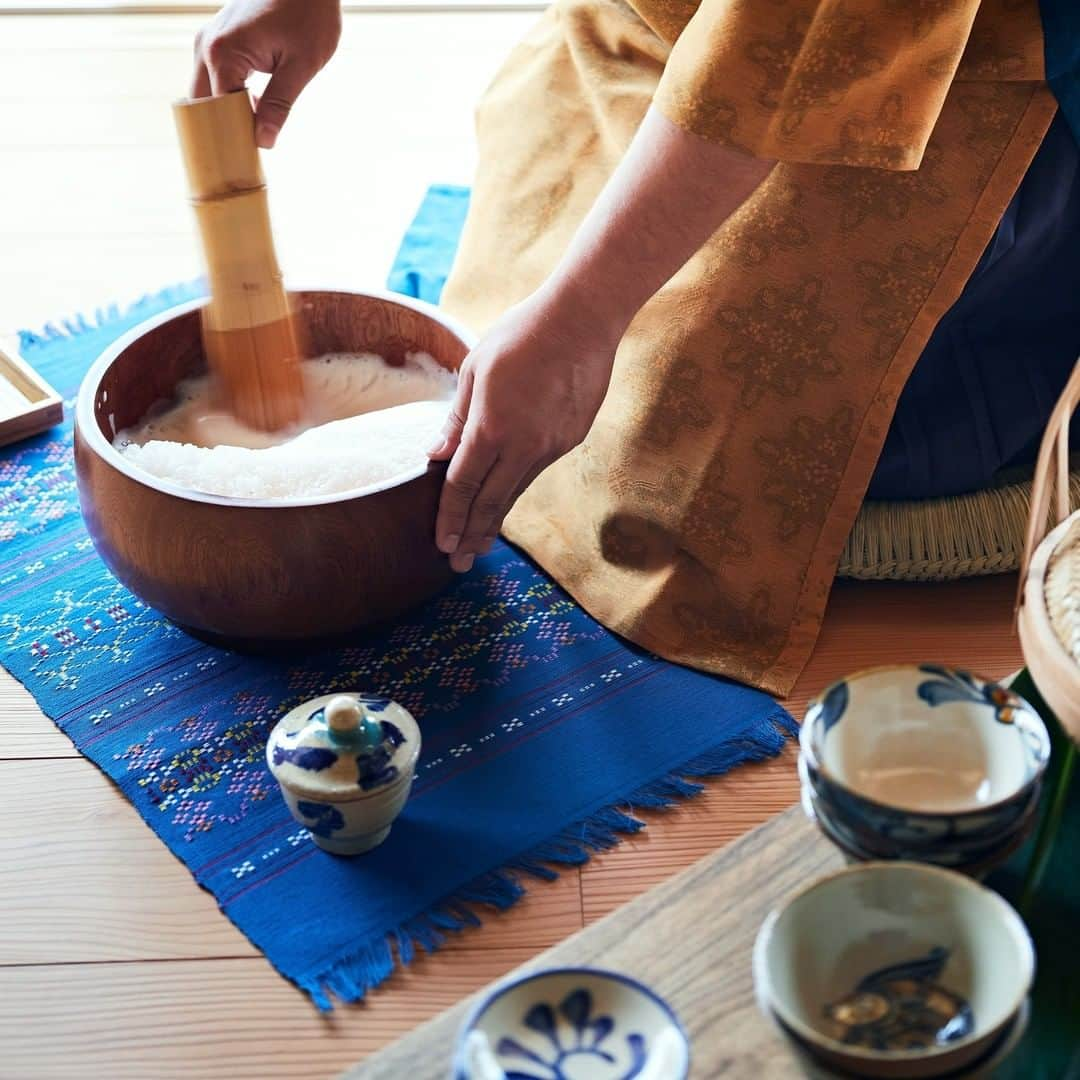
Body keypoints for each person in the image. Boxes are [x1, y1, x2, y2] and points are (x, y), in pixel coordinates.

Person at [192, 0, 1077, 695]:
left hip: (919, 62)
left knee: (685, 423)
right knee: (507, 303)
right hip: (657, 17)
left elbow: (791, 27)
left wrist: (583, 319)